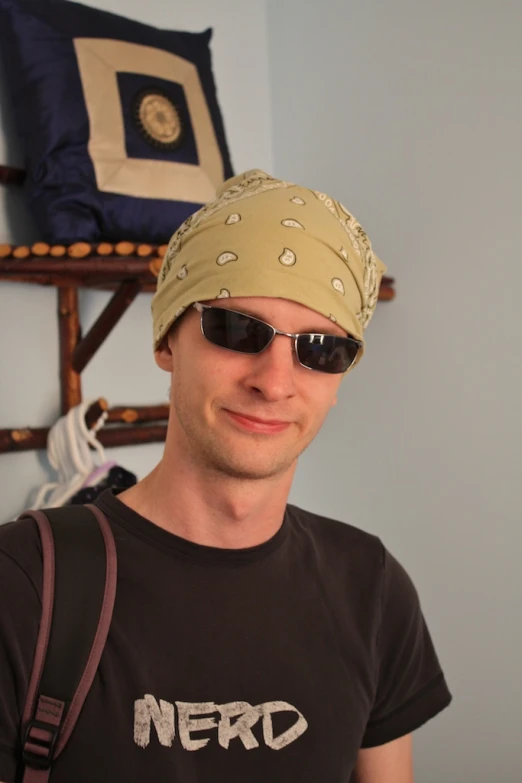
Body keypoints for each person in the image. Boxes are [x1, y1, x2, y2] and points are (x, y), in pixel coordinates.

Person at [0, 169, 452, 782]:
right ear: (167, 340)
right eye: (238, 330)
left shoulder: (371, 589)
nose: (274, 381)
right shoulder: (24, 584)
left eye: (320, 348)